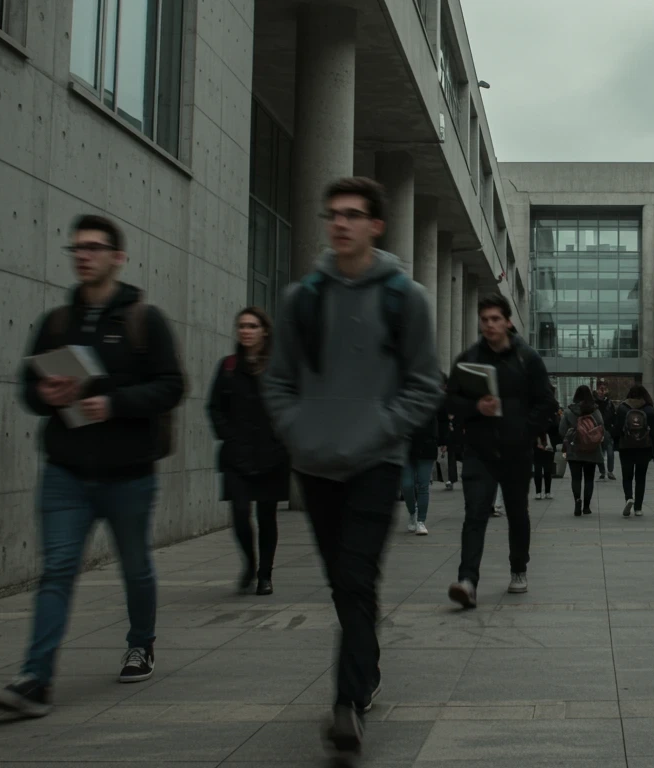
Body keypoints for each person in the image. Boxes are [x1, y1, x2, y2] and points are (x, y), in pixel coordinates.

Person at [264, 177, 443, 756]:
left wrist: (379, 431)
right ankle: (364, 671)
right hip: (316, 466)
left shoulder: (404, 298)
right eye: (332, 214)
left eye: (352, 214)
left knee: (355, 577)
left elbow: (422, 387)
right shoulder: (302, 299)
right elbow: (278, 381)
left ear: (375, 224)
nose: (340, 223)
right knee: (344, 586)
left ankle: (345, 703)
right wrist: (299, 432)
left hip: (375, 463)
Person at [0, 214, 184, 717]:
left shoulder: (144, 319)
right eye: (76, 248)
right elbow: (28, 389)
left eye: (93, 247)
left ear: (117, 257)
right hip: (66, 472)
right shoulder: (56, 323)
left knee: (135, 568)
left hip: (129, 475)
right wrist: (45, 393)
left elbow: (172, 386)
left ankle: (141, 642)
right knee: (56, 572)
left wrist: (112, 403)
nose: (83, 255)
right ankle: (36, 679)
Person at [445, 295, 556, 607]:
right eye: (485, 320)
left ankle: (518, 569)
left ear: (508, 322)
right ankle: (467, 581)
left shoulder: (527, 358)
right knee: (475, 514)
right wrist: (475, 406)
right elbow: (450, 400)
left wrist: (523, 429)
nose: (490, 325)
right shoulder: (468, 359)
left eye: (495, 319)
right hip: (479, 451)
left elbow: (546, 402)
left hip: (516, 452)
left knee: (517, 513)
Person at [206, 306, 289, 595]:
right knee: (240, 513)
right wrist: (227, 436)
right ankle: (250, 562)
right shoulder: (228, 366)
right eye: (241, 326)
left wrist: (282, 440)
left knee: (267, 516)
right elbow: (214, 407)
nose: (245, 331)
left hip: (271, 455)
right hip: (236, 455)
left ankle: (265, 574)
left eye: (252, 326)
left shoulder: (278, 367)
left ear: (264, 330)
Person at [611, 385, 654, 517]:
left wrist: (615, 443)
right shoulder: (649, 409)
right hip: (644, 447)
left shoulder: (622, 408)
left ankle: (628, 498)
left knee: (627, 476)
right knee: (641, 477)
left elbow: (616, 430)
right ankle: (638, 508)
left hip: (626, 447)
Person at [560, 385, 605, 516]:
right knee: (589, 478)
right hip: (592, 449)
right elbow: (602, 426)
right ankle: (586, 506)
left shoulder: (569, 411)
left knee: (576, 478)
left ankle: (577, 502)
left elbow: (562, 430)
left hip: (574, 449)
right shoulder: (595, 411)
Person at [402, 404, 441, 535]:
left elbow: (440, 420)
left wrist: (441, 441)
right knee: (406, 485)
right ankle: (412, 512)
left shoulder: (431, 401)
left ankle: (421, 521)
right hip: (406, 448)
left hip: (426, 447)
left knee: (423, 485)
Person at [595, 381, 616, 480]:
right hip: (597, 430)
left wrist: (612, 429)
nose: (602, 392)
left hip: (607, 430)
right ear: (597, 390)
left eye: (604, 389)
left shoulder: (610, 403)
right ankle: (602, 471)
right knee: (599, 452)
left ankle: (610, 471)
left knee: (610, 451)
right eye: (600, 389)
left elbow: (613, 417)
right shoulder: (594, 403)